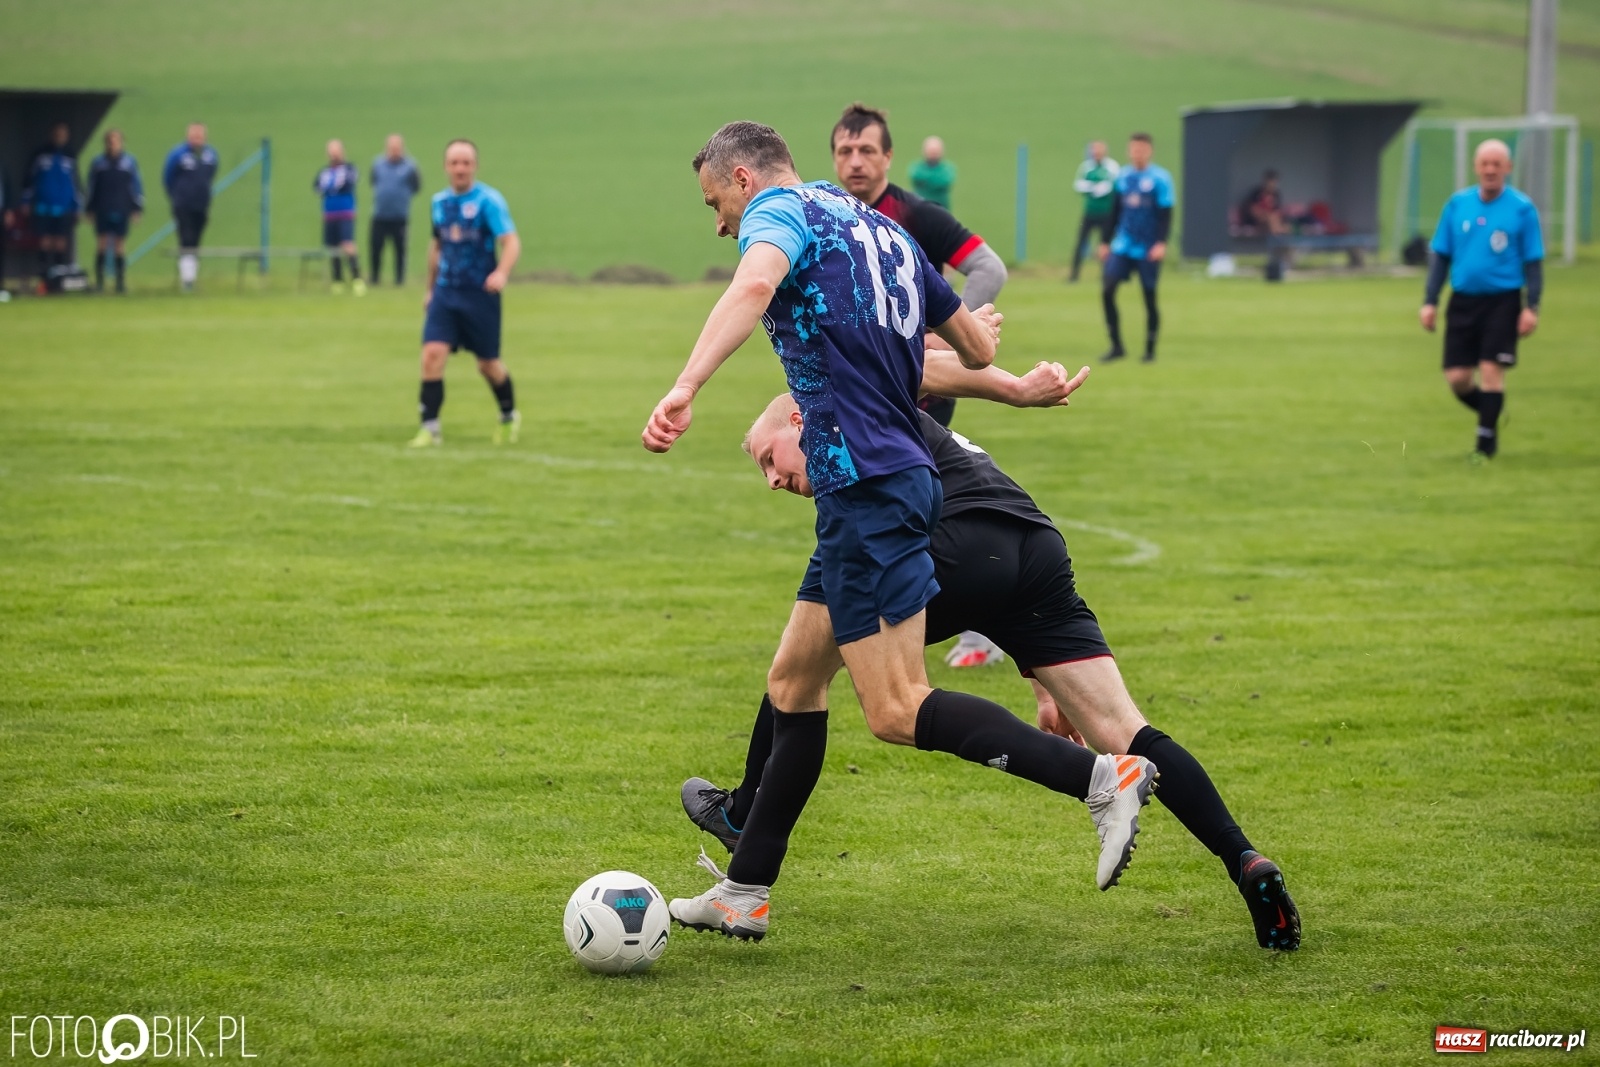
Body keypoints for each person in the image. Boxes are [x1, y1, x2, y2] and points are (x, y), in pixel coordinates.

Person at [641, 121, 1157, 942]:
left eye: (716, 206)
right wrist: (1004, 371)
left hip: (867, 486)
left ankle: (1100, 779)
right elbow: (969, 342)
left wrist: (685, 384)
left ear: (743, 179)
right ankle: (744, 891)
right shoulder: (878, 227)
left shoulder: (780, 213)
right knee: (792, 681)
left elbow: (753, 285)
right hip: (895, 478)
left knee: (893, 707)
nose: (721, 226)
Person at [682, 390, 1302, 951]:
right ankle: (1245, 860)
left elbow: (927, 358)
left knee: (852, 696)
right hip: (1028, 541)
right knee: (1122, 726)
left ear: (798, 419)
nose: (772, 480)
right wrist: (1041, 681)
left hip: (924, 533)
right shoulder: (875, 407)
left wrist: (1013, 385)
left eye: (769, 459)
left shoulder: (835, 395)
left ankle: (743, 851)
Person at [831, 104, 1012, 668]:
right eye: (845, 151)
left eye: (867, 150)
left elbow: (989, 268)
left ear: (888, 156)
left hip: (923, 394)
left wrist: (949, 333)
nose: (855, 162)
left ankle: (984, 628)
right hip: (862, 396)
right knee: (892, 514)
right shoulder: (827, 217)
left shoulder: (918, 216)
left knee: (928, 512)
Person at [1420, 139, 1543, 463]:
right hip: (1462, 301)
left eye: (1496, 164)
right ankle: (1491, 412)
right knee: (1457, 378)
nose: (1490, 170)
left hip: (1503, 302)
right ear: (1476, 167)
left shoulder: (1521, 209)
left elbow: (1533, 262)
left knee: (1491, 370)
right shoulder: (1457, 205)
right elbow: (1441, 256)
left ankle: (1484, 448)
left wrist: (1532, 307)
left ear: (1508, 168)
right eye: (1485, 163)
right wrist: (1430, 301)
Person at [409, 139, 522, 448]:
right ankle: (429, 428)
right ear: (446, 166)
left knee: (487, 364)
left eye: (466, 163)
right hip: (446, 292)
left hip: (480, 293)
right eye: (454, 163)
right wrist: (430, 289)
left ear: (475, 166)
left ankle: (508, 415)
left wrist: (501, 273)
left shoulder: (488, 201)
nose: (460, 168)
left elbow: (511, 241)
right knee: (432, 354)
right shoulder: (439, 202)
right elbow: (437, 246)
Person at [1098, 132, 1173, 364]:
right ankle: (1116, 346)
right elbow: (1115, 211)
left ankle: (1150, 350)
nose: (1137, 153)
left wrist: (1161, 243)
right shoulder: (1123, 177)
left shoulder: (1160, 178)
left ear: (1149, 151)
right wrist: (1105, 242)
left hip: (1148, 248)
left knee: (1149, 296)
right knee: (1107, 290)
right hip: (1123, 245)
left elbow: (1166, 214)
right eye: (1133, 149)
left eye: (1141, 149)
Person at [22, 122, 83, 286]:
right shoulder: (40, 154)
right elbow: (29, 180)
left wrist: (78, 206)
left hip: (64, 207)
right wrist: (25, 201)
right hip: (43, 206)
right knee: (45, 240)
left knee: (60, 242)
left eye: (63, 134)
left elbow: (76, 183)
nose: (60, 137)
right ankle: (44, 276)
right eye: (57, 134)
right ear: (52, 134)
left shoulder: (70, 156)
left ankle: (58, 277)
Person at [85, 129, 144, 293]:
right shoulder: (99, 163)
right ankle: (100, 282)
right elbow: (91, 187)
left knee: (120, 244)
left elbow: (136, 187)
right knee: (102, 244)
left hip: (121, 207)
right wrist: (89, 208)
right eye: (111, 141)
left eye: (117, 140)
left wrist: (136, 208)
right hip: (103, 207)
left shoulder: (129, 163)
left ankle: (120, 283)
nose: (114, 144)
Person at [163, 124, 218, 292]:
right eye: (194, 135)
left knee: (196, 241)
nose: (197, 139)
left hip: (201, 204)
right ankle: (187, 280)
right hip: (183, 204)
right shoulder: (178, 154)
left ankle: (192, 277)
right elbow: (168, 177)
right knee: (186, 239)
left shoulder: (210, 155)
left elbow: (211, 174)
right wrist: (177, 195)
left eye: (200, 135)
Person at [313, 140, 365, 294]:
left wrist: (331, 187)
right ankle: (337, 280)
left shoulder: (349, 168)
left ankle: (356, 278)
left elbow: (347, 184)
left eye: (336, 151)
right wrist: (331, 187)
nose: (333, 155)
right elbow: (317, 187)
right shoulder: (325, 172)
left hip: (345, 213)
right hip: (330, 214)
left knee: (347, 244)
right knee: (333, 247)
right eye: (331, 152)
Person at [369, 134, 421, 285]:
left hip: (400, 215)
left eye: (397, 148)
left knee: (400, 249)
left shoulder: (410, 166)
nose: (394, 151)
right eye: (391, 148)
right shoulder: (378, 164)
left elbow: (416, 186)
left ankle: (399, 279)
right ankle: (375, 277)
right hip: (380, 214)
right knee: (376, 247)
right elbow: (373, 182)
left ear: (402, 148)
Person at [1069, 140, 1119, 282]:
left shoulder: (1112, 167)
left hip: (1107, 213)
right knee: (1080, 243)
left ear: (1104, 152)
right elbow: (1078, 185)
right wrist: (1093, 187)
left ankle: (1107, 274)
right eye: (1094, 151)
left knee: (1106, 244)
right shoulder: (1086, 167)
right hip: (1090, 212)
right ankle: (1074, 275)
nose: (1096, 153)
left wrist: (1105, 188)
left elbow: (1116, 185)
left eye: (1099, 151)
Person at [908, 136, 956, 209]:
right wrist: (935, 179)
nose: (933, 153)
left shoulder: (947, 168)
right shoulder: (916, 167)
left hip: (942, 209)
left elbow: (945, 181)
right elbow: (915, 176)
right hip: (921, 210)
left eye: (935, 151)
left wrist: (926, 181)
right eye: (931, 150)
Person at [1238, 169, 1287, 235]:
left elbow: (1278, 211)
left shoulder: (1276, 195)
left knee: (1284, 225)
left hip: (1271, 220)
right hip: (1258, 221)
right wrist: (1266, 215)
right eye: (1270, 182)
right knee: (1271, 220)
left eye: (1274, 182)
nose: (1272, 185)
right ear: (1265, 181)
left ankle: (1277, 235)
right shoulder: (1256, 193)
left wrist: (1273, 216)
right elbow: (1253, 211)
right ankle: (1277, 235)